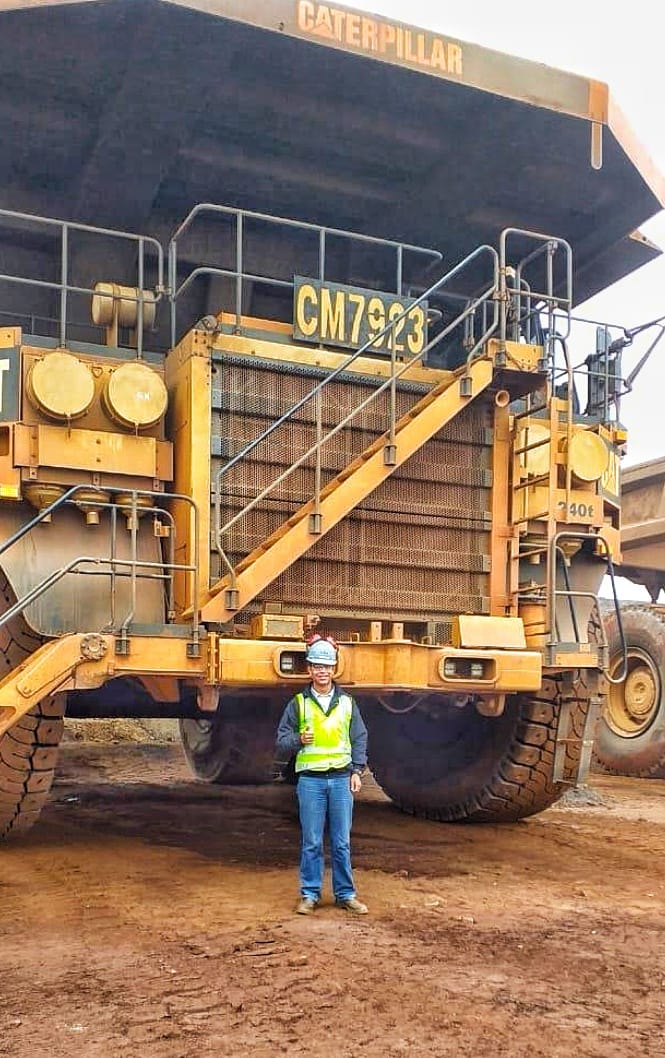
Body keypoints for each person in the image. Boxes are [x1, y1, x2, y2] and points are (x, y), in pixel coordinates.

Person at [276, 635, 369, 916]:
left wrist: (357, 770)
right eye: (317, 666)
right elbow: (281, 741)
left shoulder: (348, 704)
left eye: (327, 666)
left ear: (334, 669)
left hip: (341, 780)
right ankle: (310, 894)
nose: (322, 671)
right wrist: (298, 739)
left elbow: (359, 738)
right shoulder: (298, 704)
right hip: (311, 781)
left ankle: (345, 894)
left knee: (342, 842)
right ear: (309, 669)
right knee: (312, 841)